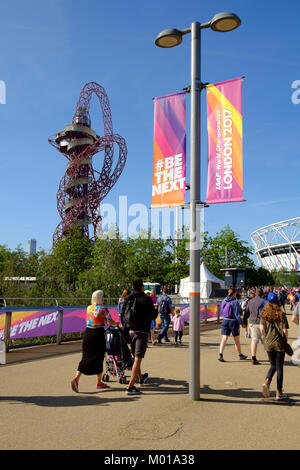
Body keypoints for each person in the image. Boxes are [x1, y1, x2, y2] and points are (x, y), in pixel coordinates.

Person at [71, 290, 119, 393]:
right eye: (102, 297)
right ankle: (99, 382)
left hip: (87, 333)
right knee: (99, 356)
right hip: (98, 334)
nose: (104, 298)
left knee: (85, 357)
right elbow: (110, 320)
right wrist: (117, 323)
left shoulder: (89, 308)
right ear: (99, 298)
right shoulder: (103, 309)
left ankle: (76, 378)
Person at [122, 279, 157, 395]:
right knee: (138, 358)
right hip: (141, 331)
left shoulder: (128, 298)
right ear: (142, 287)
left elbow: (122, 314)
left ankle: (140, 378)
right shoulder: (146, 299)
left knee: (134, 355)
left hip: (130, 330)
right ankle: (130, 386)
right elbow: (153, 315)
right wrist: (156, 311)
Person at [260, 292, 289, 400]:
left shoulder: (263, 313)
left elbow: (261, 328)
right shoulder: (281, 314)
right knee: (279, 367)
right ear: (278, 301)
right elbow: (285, 331)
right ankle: (279, 392)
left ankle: (267, 381)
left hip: (268, 342)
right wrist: (285, 341)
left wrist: (264, 338)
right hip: (279, 343)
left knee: (273, 365)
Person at [218, 288, 247, 362]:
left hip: (225, 320)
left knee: (224, 338)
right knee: (236, 339)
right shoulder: (235, 302)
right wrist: (242, 323)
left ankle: (220, 354)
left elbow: (221, 309)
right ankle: (240, 355)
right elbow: (237, 314)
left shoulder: (224, 300)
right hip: (233, 322)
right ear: (234, 293)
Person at [243, 288, 265, 364]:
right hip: (262, 323)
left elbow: (246, 312)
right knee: (266, 340)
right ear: (262, 294)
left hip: (252, 322)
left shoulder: (250, 301)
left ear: (255, 293)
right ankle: (271, 357)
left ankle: (253, 357)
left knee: (254, 340)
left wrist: (244, 322)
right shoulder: (264, 302)